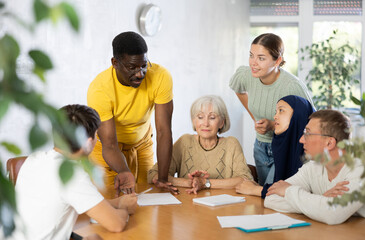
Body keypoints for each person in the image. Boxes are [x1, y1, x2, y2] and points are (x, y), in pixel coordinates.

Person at [15, 104, 137, 239]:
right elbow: (116, 225)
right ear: (88, 142)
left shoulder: (34, 159)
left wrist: (117, 203)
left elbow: (72, 201)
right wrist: (124, 210)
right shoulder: (71, 174)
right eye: (96, 136)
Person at [87, 31, 176, 198]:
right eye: (132, 67)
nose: (140, 73)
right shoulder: (99, 90)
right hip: (108, 148)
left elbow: (164, 131)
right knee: (112, 201)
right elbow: (110, 144)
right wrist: (125, 173)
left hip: (142, 144)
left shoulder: (161, 76)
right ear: (115, 63)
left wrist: (163, 179)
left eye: (143, 65)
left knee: (149, 197)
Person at [229, 33, 313, 186]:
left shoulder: (292, 86)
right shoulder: (246, 75)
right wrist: (254, 117)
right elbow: (238, 89)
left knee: (271, 194)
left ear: (277, 61)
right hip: (260, 146)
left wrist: (272, 125)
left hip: (287, 148)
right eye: (251, 55)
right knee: (263, 197)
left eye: (261, 58)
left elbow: (309, 121)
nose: (253, 63)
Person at [264, 110, 365, 225]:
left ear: (329, 143)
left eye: (307, 133)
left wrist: (289, 191)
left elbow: (332, 214)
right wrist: (321, 200)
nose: (301, 140)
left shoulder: (362, 170)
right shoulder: (312, 167)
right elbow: (271, 199)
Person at [148, 95, 253, 194]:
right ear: (194, 121)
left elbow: (246, 180)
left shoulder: (231, 144)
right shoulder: (185, 142)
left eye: (212, 118)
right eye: (200, 117)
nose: (206, 123)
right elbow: (153, 174)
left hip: (223, 208)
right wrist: (189, 183)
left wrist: (205, 183)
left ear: (221, 122)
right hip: (189, 206)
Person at [236, 95, 315, 198]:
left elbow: (296, 194)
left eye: (281, 110)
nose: (275, 117)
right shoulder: (281, 144)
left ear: (298, 115)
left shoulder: (311, 155)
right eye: (276, 112)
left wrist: (256, 190)